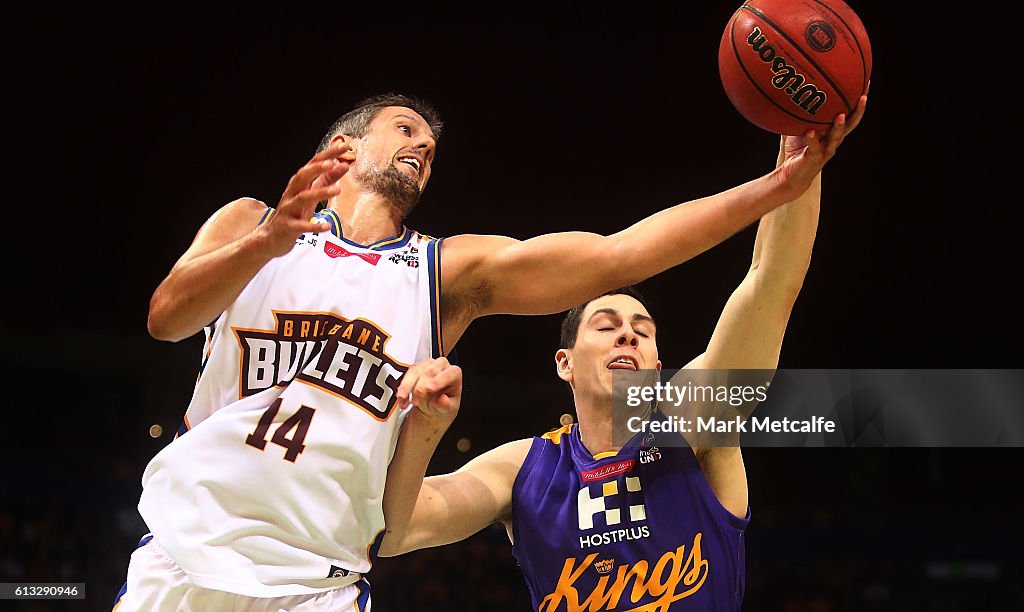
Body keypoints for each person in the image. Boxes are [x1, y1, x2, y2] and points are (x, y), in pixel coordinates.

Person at [114, 90, 863, 610]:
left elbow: (619, 254)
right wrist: (269, 238)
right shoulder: (250, 223)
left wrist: (776, 188)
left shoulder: (442, 275)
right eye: (406, 129)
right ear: (342, 147)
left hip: (315, 577)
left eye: (431, 146)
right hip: (186, 543)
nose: (424, 144)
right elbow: (165, 320)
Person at [378, 96, 867, 611]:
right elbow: (395, 531)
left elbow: (770, 284)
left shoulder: (694, 424)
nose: (627, 336)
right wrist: (425, 428)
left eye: (642, 330)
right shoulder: (523, 468)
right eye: (606, 327)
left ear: (658, 367)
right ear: (564, 362)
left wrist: (796, 161)